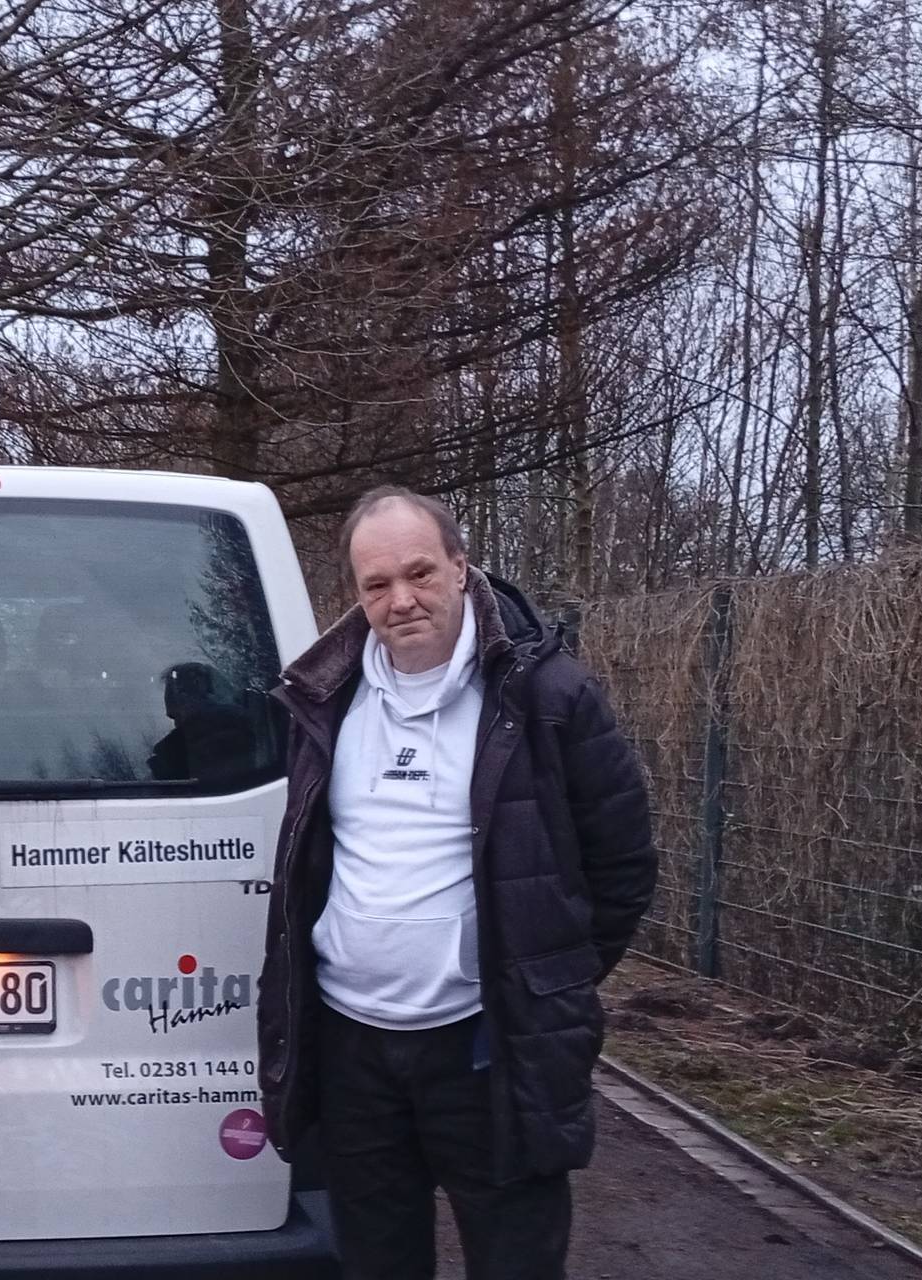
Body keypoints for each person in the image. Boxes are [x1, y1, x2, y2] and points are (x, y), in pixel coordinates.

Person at [254, 488, 658, 1280]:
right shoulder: (323, 700)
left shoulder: (548, 696)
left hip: (487, 1048)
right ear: (356, 594)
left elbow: (623, 867)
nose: (400, 600)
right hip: (352, 1049)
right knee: (376, 1260)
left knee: (515, 1258)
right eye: (376, 584)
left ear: (461, 567)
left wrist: (539, 981)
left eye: (419, 573)